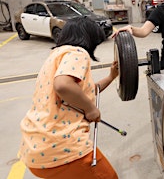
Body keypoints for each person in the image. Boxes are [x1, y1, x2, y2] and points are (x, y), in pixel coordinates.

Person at [19, 16, 119, 179]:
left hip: (35, 150)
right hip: (60, 148)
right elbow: (63, 85)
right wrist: (91, 109)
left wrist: (111, 77)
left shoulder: (55, 56)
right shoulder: (77, 53)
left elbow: (81, 94)